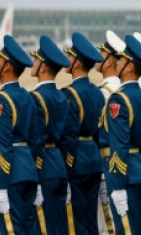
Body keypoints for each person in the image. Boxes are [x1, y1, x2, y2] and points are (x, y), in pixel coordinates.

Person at [101, 34, 141, 235]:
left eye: (122, 60)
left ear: (130, 66)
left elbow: (119, 144)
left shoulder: (119, 100)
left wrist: (117, 186)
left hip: (125, 176)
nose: (118, 62)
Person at [0, 35, 39, 235]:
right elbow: (36, 140)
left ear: (6, 66)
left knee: (12, 230)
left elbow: (2, 144)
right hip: (28, 171)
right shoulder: (27, 96)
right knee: (30, 228)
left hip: (10, 175)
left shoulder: (1, 101)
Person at [61, 31, 106, 235]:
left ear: (77, 63)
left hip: (76, 159)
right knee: (90, 219)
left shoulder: (69, 94)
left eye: (70, 57)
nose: (67, 60)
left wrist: (67, 162)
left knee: (77, 221)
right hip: (93, 158)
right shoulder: (97, 92)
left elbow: (68, 132)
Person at [29, 36, 74, 235]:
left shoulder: (35, 97)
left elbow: (35, 138)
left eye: (36, 60)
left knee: (43, 225)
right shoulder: (62, 97)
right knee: (59, 225)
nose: (33, 63)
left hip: (43, 167)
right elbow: (68, 137)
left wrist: (34, 169)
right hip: (59, 165)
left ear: (43, 67)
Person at [96, 30, 127, 235]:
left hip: (107, 164)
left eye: (102, 54)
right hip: (115, 163)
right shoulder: (118, 89)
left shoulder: (108, 91)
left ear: (109, 61)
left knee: (108, 225)